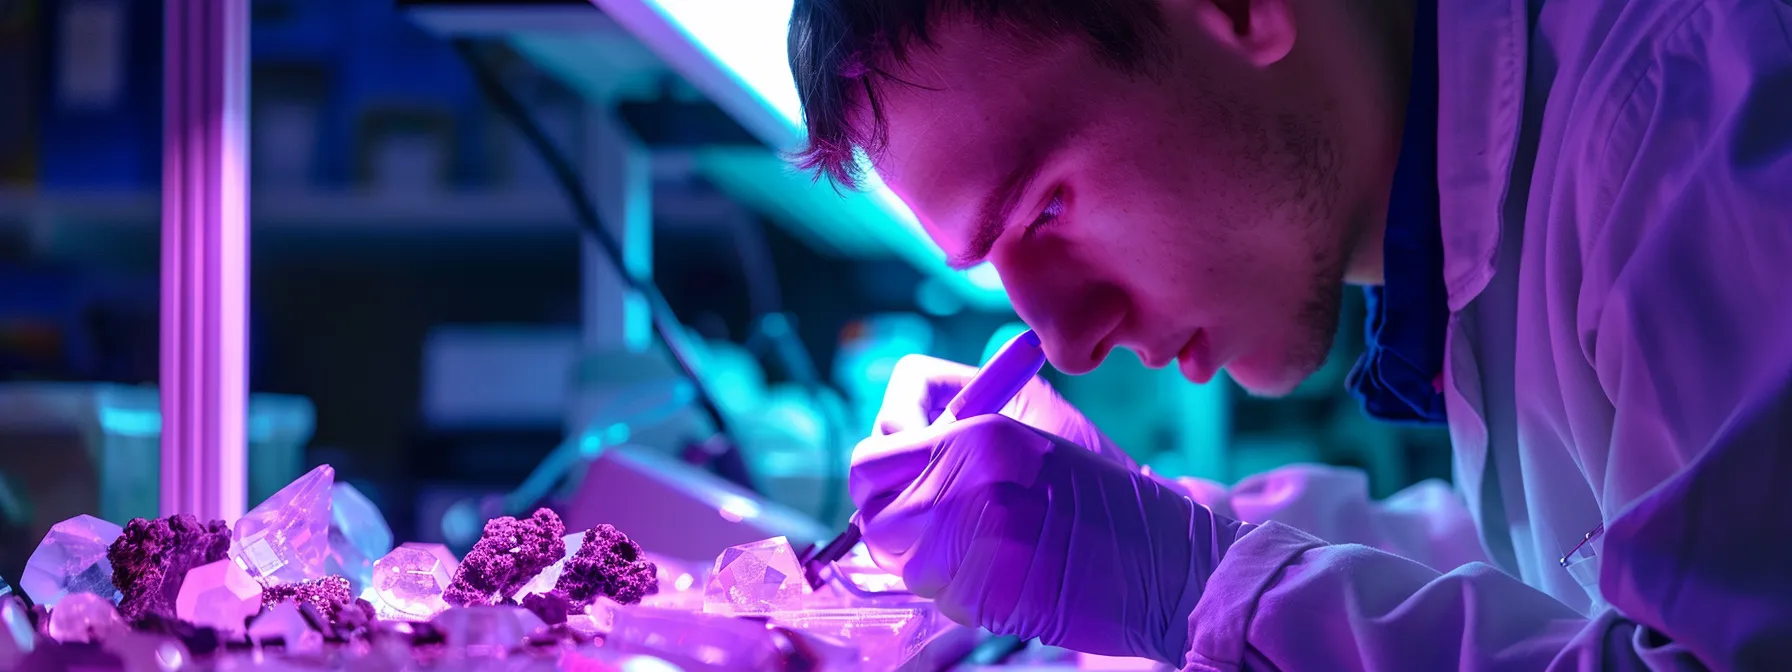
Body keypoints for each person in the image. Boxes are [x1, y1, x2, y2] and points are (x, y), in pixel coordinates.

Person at [786, 0, 1792, 669]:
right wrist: (1166, 528)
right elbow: (1569, 572)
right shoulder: (1507, 200)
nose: (1068, 341)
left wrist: (1190, 586)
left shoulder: (1689, 105)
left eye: (1045, 211)